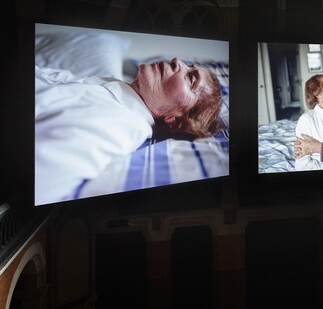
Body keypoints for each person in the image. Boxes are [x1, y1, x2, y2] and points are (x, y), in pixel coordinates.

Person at [35, 57, 223, 204]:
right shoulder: (115, 89)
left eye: (191, 79)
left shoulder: (117, 124)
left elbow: (41, 180)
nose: (177, 61)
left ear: (174, 121)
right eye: (189, 66)